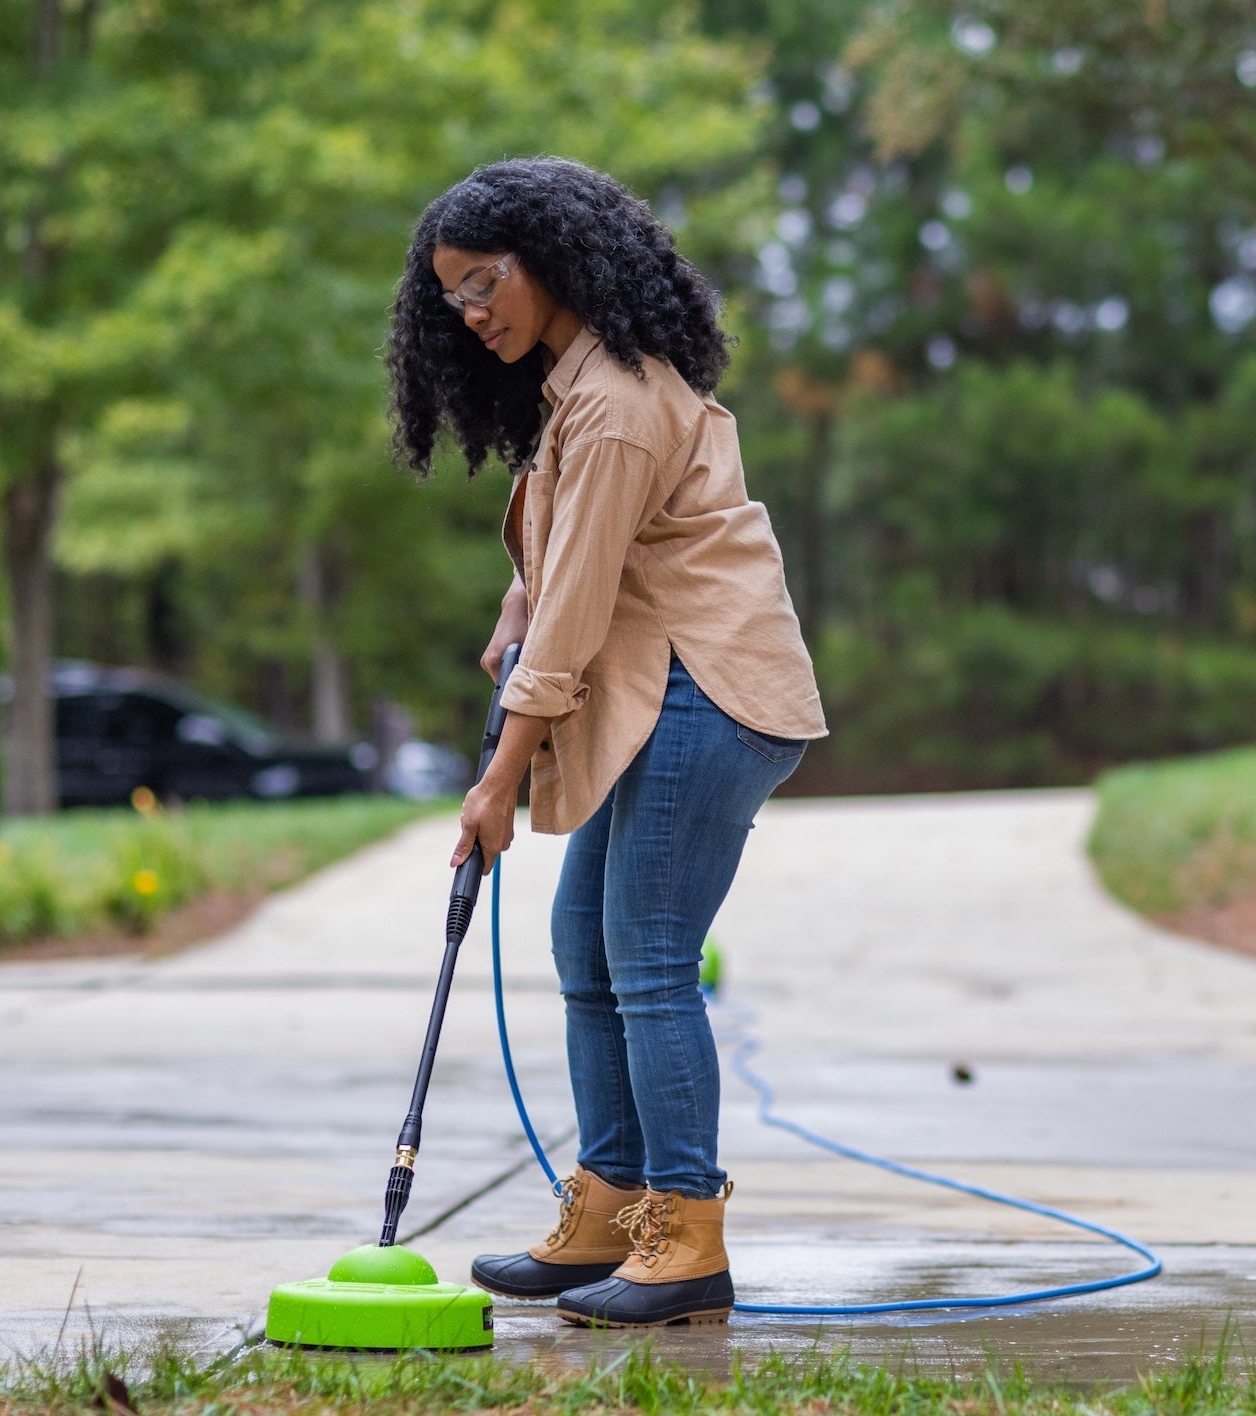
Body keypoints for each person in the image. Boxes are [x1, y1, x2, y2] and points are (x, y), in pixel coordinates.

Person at [385, 157, 826, 1328]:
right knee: (588, 944)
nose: (472, 315)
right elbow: (569, 566)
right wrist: (513, 598)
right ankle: (613, 1205)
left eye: (485, 285)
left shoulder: (616, 399)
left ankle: (684, 1236)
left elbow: (581, 609)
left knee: (645, 955)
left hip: (708, 687)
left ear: (551, 261)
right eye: (454, 299)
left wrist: (494, 784)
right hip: (663, 686)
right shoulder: (571, 389)